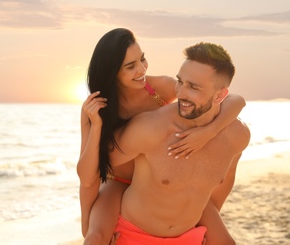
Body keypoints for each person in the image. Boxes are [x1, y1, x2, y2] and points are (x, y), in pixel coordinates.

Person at [78, 28, 245, 244]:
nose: (141, 69)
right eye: (130, 66)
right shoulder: (96, 107)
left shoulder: (159, 89)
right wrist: (87, 222)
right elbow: (87, 176)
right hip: (119, 182)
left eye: (143, 59)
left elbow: (235, 100)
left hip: (159, 180)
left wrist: (207, 132)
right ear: (113, 72)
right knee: (95, 238)